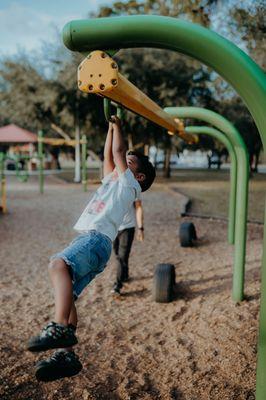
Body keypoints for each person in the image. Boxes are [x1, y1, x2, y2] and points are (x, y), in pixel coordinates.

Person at [27, 116, 156, 382]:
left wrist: (118, 125)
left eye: (130, 163)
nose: (122, 163)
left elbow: (119, 152)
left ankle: (58, 329)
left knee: (57, 264)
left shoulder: (129, 186)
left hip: (95, 239)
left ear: (139, 176)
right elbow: (110, 155)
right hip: (96, 244)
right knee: (68, 296)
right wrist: (109, 128)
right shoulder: (113, 181)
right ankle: (66, 354)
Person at [112, 196, 144, 295]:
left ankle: (118, 285)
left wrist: (140, 228)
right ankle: (124, 275)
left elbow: (138, 208)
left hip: (127, 228)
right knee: (117, 254)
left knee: (122, 256)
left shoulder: (134, 188)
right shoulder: (109, 185)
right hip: (113, 227)